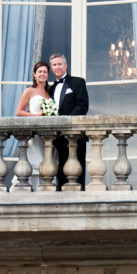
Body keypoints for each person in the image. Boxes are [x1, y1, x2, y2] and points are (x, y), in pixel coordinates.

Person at [46, 53, 88, 188]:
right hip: (57, 136)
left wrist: (66, 121)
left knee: (78, 167)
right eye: (54, 65)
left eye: (59, 64)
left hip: (75, 133)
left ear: (65, 66)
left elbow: (82, 106)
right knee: (60, 165)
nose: (57, 67)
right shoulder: (50, 89)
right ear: (51, 68)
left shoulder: (78, 82)